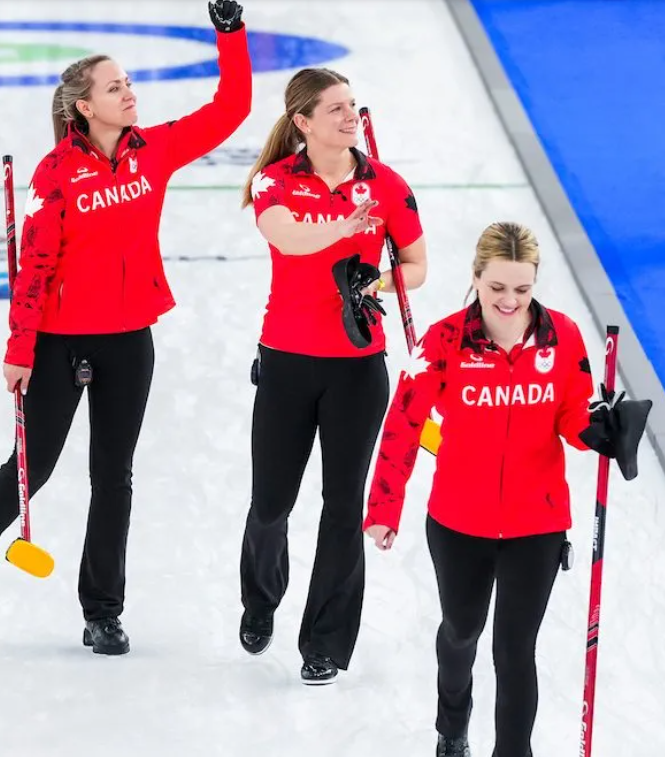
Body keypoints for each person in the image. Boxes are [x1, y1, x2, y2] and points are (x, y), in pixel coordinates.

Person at [0, 0, 251, 655]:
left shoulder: (156, 152)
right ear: (85, 106)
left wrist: (229, 33)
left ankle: (103, 612)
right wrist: (20, 349)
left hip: (129, 339)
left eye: (129, 82)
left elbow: (230, 108)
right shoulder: (56, 173)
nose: (130, 92)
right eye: (115, 86)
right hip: (60, 343)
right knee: (27, 472)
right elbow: (33, 267)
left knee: (112, 475)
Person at [362, 222, 652, 757]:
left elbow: (571, 418)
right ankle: (452, 727)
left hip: (536, 523)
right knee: (461, 633)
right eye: (497, 288)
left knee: (515, 649)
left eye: (522, 288)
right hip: (458, 520)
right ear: (476, 278)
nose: (510, 301)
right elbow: (403, 423)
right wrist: (384, 506)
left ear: (536, 281)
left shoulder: (562, 337)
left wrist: (601, 430)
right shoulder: (445, 340)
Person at [236, 66, 429, 685]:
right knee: (271, 503)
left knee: (343, 507)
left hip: (357, 367)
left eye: (353, 106)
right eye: (336, 108)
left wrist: (378, 281)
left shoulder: (387, 186)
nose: (350, 117)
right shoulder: (275, 180)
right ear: (304, 122)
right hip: (288, 362)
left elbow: (419, 264)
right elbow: (284, 238)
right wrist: (343, 229)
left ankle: (325, 643)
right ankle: (261, 600)